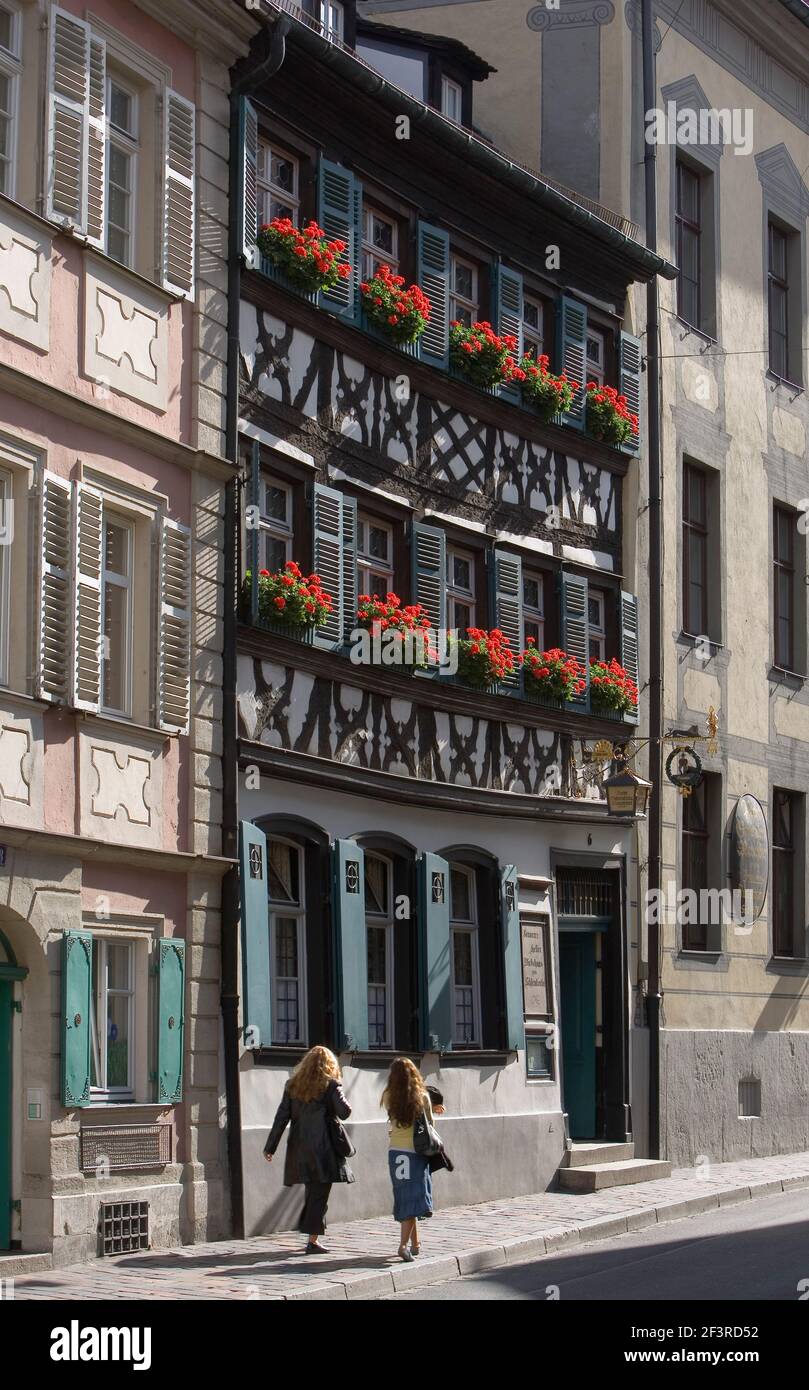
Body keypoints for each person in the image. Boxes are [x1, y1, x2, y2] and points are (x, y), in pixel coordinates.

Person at [264, 1045, 354, 1254]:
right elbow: (345, 1112)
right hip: (324, 1148)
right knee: (319, 1194)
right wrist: (338, 1091)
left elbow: (281, 1118)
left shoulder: (292, 1086)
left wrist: (271, 1146)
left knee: (313, 1191)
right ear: (329, 1065)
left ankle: (311, 1233)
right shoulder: (331, 1086)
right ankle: (312, 1239)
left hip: (299, 1147)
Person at [381, 1057, 435, 1262]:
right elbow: (430, 1125)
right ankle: (403, 1246)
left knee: (405, 1195)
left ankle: (415, 1243)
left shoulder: (388, 1096)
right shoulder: (422, 1096)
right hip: (415, 1153)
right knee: (417, 1197)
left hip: (395, 1152)